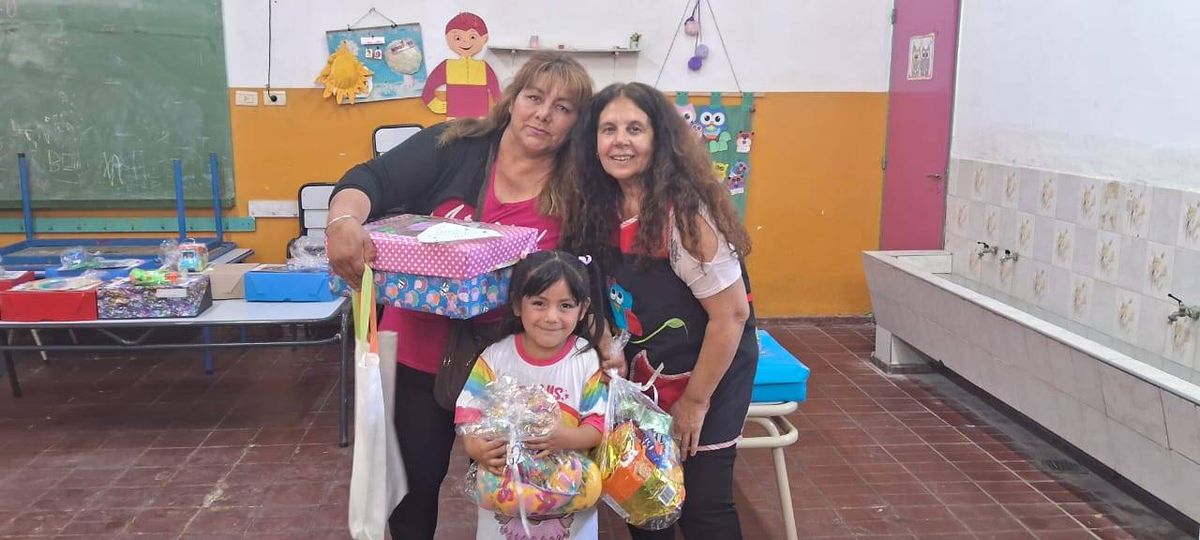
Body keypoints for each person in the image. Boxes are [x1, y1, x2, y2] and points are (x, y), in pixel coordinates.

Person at [325, 52, 595, 539]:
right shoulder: (454, 144)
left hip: (515, 369)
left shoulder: (580, 185)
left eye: (563, 108)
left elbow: (591, 276)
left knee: (521, 486)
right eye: (534, 98)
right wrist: (343, 221)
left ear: (576, 123)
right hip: (418, 354)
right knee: (414, 485)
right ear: (512, 100)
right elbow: (369, 182)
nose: (542, 114)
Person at [563, 82, 758, 540]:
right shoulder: (600, 206)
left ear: (659, 139)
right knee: (646, 496)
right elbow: (603, 293)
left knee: (704, 506)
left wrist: (695, 402)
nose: (620, 141)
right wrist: (609, 344)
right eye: (608, 129)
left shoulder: (686, 217)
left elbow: (730, 317)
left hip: (710, 372)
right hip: (647, 375)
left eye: (635, 128)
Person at [456, 250, 608, 540]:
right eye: (539, 303)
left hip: (567, 491)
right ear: (517, 304)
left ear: (583, 307)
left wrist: (565, 438)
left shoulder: (586, 361)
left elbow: (598, 426)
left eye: (565, 306)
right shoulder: (496, 357)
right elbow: (468, 412)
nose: (551, 317)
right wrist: (476, 447)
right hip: (506, 487)